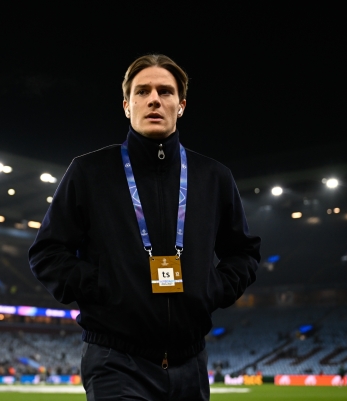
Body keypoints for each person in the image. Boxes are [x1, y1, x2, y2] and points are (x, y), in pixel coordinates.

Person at [28, 54, 261, 400]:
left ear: (181, 106)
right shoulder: (89, 172)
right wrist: (103, 287)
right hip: (115, 360)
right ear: (127, 105)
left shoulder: (213, 177)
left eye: (165, 92)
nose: (154, 99)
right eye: (143, 91)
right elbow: (47, 252)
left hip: (191, 363)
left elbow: (243, 253)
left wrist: (211, 288)